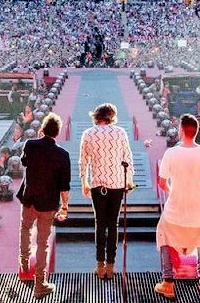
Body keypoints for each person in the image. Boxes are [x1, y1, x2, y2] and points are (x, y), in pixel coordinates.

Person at [155, 113, 200, 299]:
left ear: (181, 131)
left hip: (176, 207)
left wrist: (173, 191)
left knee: (164, 235)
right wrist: (199, 189)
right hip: (198, 207)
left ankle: (168, 282)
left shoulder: (171, 153)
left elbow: (162, 182)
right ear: (196, 131)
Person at [17, 112, 70, 300]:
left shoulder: (31, 145)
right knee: (42, 242)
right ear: (57, 133)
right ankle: (40, 284)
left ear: (43, 129)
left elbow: (24, 162)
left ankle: (24, 261)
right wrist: (65, 207)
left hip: (29, 198)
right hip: (48, 204)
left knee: (25, 229)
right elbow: (65, 186)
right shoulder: (63, 155)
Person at [79, 102, 134, 279]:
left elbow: (83, 162)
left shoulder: (88, 133)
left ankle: (99, 265)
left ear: (96, 117)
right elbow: (128, 158)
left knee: (100, 225)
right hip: (117, 184)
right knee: (113, 224)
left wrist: (84, 183)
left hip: (97, 185)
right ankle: (111, 266)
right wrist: (129, 181)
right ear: (112, 117)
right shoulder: (120, 132)